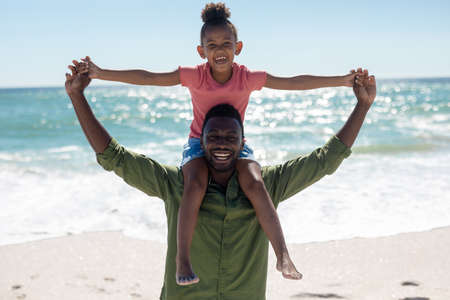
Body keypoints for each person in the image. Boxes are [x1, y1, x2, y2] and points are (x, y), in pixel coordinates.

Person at [77, 2, 363, 285]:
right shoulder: (194, 76)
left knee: (255, 183)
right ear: (201, 52)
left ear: (238, 48)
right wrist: (102, 73)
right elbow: (149, 77)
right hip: (198, 145)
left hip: (237, 145)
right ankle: (183, 259)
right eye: (211, 45)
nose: (219, 50)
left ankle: (283, 254)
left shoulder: (247, 78)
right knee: (196, 185)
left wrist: (342, 81)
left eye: (226, 43)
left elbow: (293, 82)